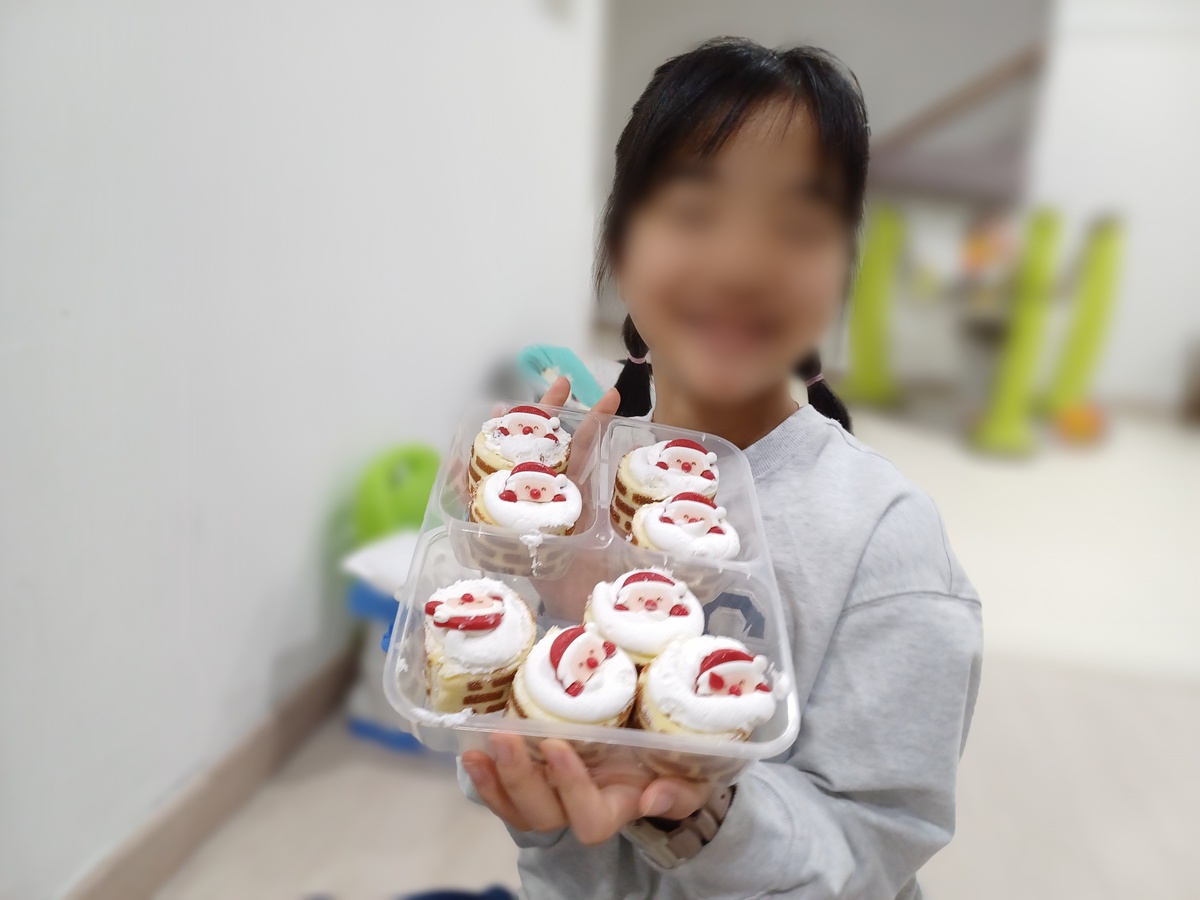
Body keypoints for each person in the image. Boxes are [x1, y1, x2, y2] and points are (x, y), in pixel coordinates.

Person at [458, 37, 983, 899]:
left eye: (795, 227)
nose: (740, 266)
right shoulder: (567, 497)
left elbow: (877, 842)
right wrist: (544, 593)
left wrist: (698, 810)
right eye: (693, 212)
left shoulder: (885, 537)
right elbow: (515, 781)